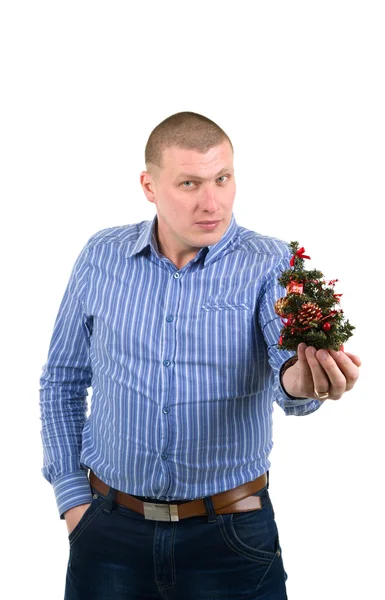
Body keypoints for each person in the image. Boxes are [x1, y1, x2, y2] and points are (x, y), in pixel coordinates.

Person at [39, 111, 361, 599]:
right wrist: (72, 502)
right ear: (149, 186)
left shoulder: (270, 262)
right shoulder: (101, 256)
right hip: (107, 532)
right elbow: (62, 380)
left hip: (230, 536)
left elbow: (290, 379)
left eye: (223, 179)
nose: (212, 202)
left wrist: (306, 380)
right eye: (189, 183)